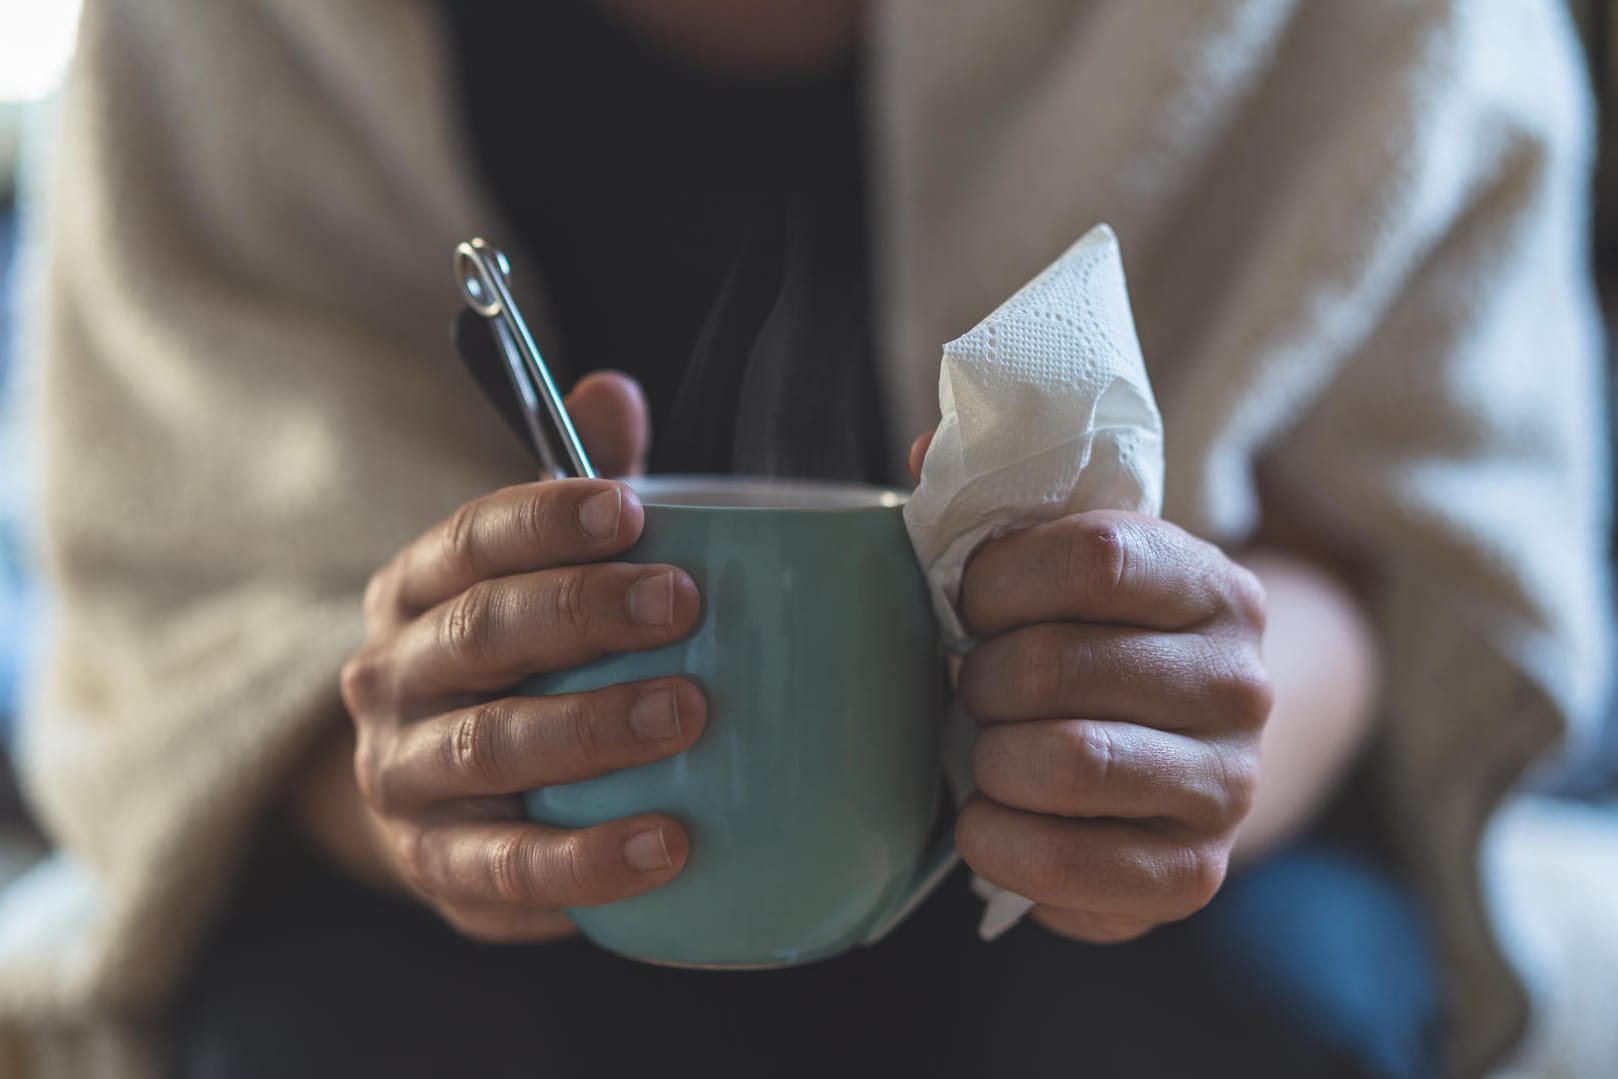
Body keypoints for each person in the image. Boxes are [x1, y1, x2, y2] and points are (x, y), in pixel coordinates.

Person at [0, 1, 1608, 1077]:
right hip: (458, 923)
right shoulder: (223, 38)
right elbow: (190, 585)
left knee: (1235, 1013)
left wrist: (1192, 727)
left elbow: (1409, 538)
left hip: (1147, 903)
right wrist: (414, 769)